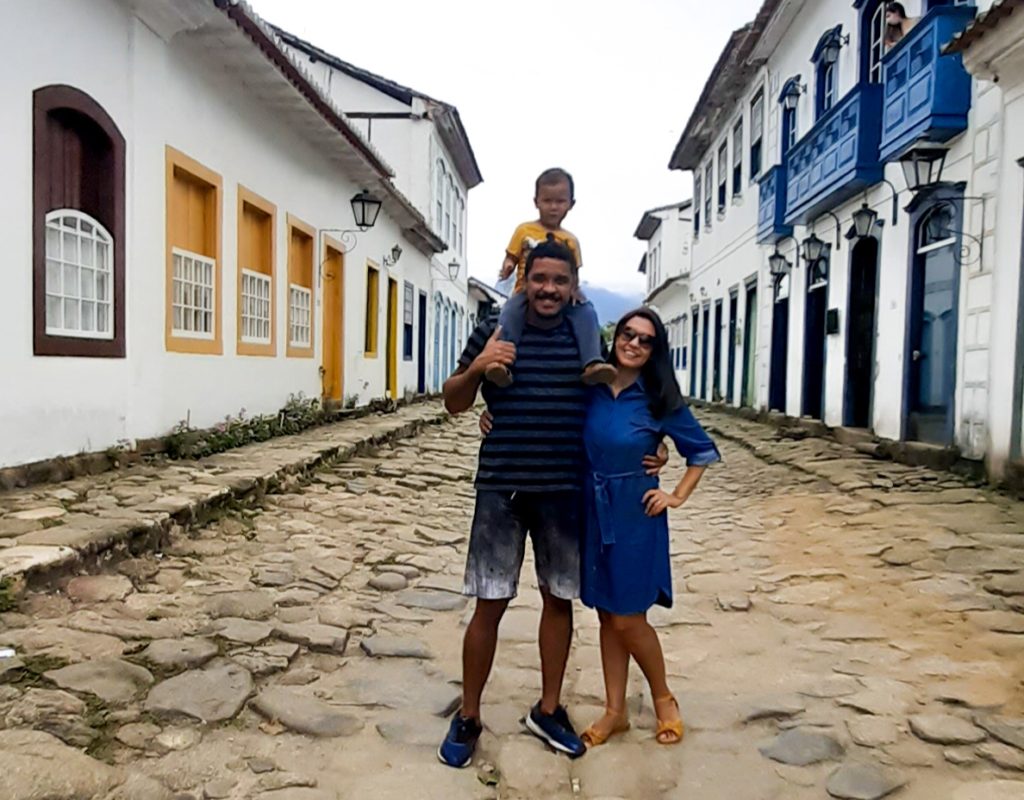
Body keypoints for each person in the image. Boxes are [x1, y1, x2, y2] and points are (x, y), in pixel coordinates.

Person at [437, 240, 666, 769]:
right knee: (488, 604)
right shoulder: (494, 330)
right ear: (524, 278)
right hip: (501, 488)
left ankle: (548, 708)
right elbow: (452, 401)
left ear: (572, 285)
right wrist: (479, 369)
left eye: (559, 281)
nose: (548, 289)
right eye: (539, 279)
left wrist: (657, 441)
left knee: (557, 601)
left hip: (565, 490)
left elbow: (623, 397)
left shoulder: (586, 339)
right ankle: (469, 715)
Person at [578, 308, 720, 748]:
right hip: (591, 507)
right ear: (614, 337)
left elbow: (700, 451)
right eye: (628, 334)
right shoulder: (592, 387)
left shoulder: (660, 398)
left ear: (655, 350)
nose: (634, 344)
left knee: (628, 618)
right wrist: (493, 418)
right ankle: (615, 710)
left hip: (636, 514)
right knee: (606, 613)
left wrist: (675, 495)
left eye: (645, 339)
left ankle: (663, 698)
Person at [485, 167, 616, 389]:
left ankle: (592, 362)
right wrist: (507, 267)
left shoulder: (571, 241)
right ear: (536, 201)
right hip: (523, 292)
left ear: (571, 204)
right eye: (547, 201)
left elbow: (574, 274)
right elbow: (511, 256)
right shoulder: (524, 230)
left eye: (560, 201)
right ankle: (501, 363)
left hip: (564, 297)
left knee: (587, 312)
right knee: (509, 315)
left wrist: (575, 292)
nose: (553, 207)